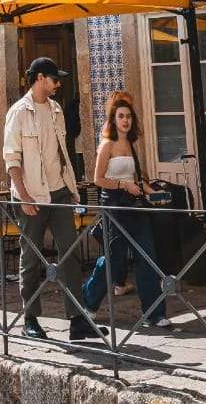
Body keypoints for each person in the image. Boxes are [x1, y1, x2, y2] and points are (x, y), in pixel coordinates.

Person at [3, 57, 104, 341]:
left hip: (58, 191)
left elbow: (61, 153)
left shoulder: (57, 110)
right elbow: (11, 158)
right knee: (31, 256)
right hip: (31, 193)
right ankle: (30, 318)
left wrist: (71, 189)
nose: (59, 83)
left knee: (70, 252)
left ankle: (77, 319)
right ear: (39, 79)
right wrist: (23, 196)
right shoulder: (19, 112)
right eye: (54, 78)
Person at [81, 92, 170, 328]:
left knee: (147, 256)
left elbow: (136, 178)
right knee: (114, 260)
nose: (126, 120)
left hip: (135, 206)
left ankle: (154, 313)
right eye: (121, 116)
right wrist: (123, 185)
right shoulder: (107, 145)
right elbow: (98, 179)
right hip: (114, 206)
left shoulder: (131, 144)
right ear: (113, 119)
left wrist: (153, 194)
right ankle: (88, 302)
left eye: (129, 116)